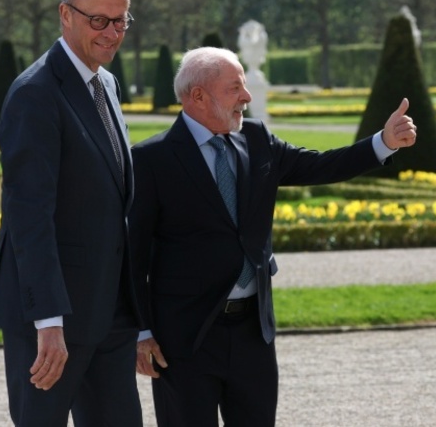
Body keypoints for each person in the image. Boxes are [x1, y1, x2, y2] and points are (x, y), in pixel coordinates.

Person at [129, 46, 417, 426]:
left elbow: (320, 165)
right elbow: (133, 256)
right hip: (184, 339)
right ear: (198, 96)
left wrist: (384, 142)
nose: (247, 97)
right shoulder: (151, 159)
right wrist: (141, 331)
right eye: (235, 88)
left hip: (253, 333)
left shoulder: (257, 139)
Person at [0, 0, 143, 427]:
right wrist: (48, 322)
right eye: (99, 20)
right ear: (65, 15)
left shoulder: (106, 84)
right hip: (53, 323)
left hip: (109, 314)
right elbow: (28, 216)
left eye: (121, 20)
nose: (112, 33)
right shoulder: (34, 94)